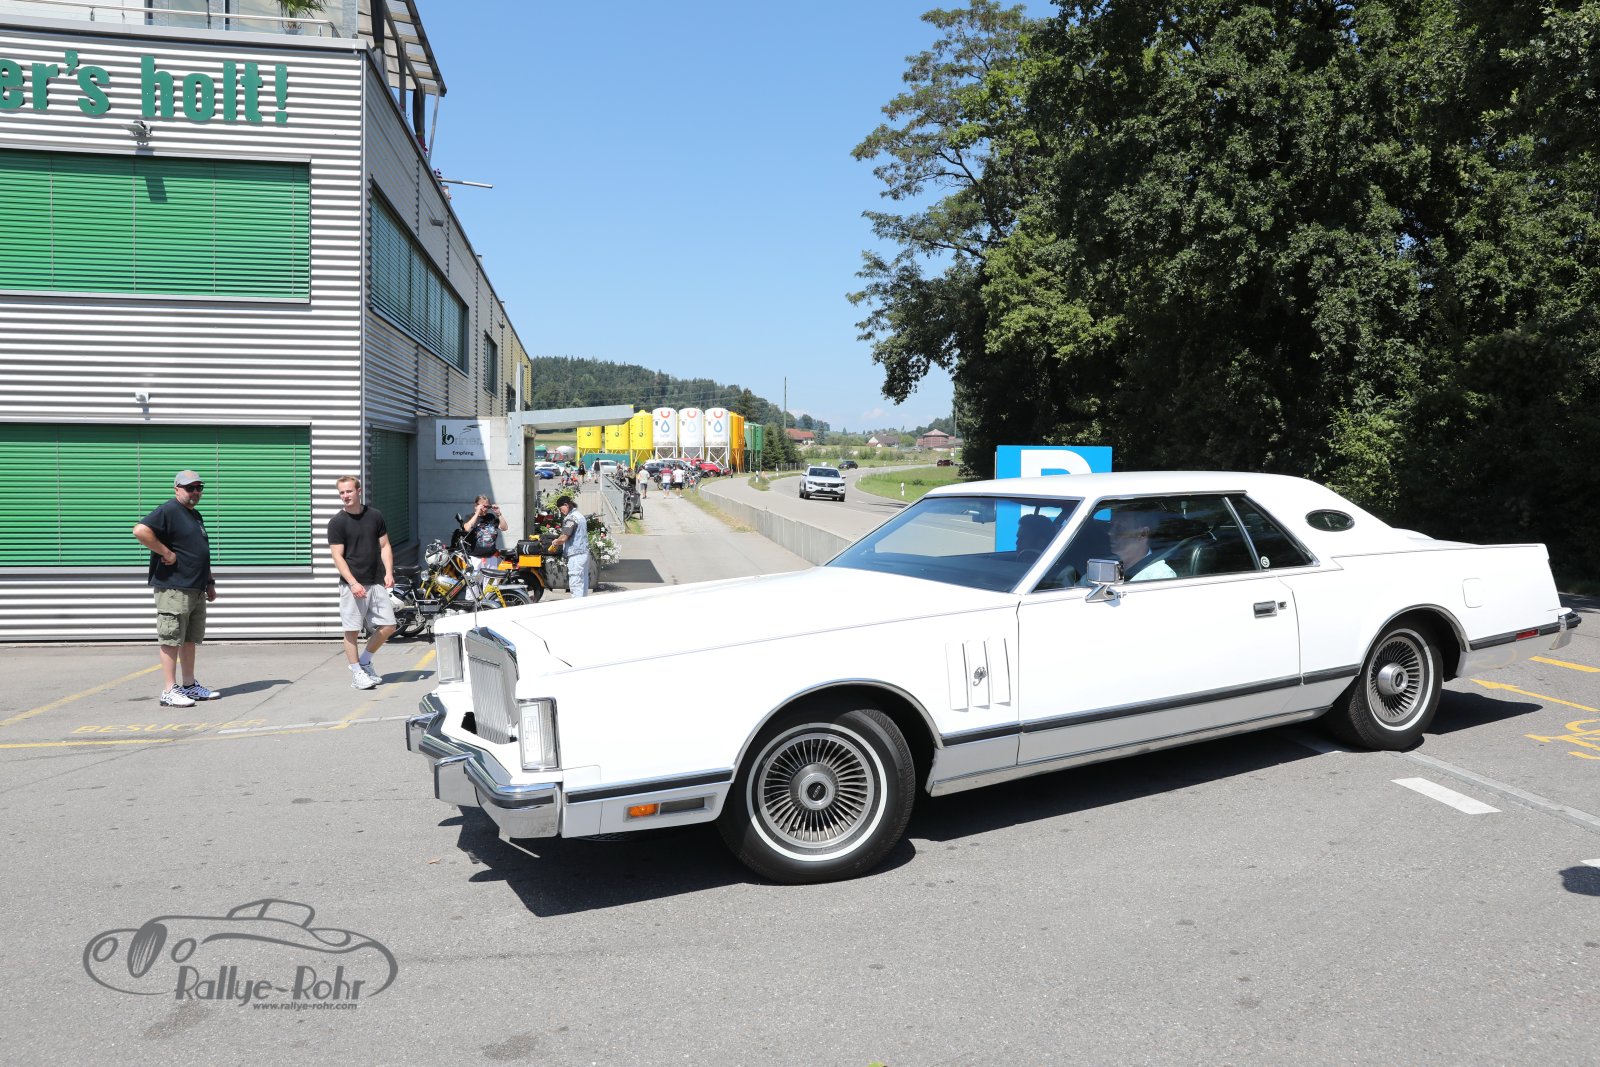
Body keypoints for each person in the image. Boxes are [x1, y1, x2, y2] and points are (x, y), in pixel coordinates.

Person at [132, 470, 218, 707]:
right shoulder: (169, 510)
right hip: (174, 587)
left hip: (195, 587)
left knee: (189, 639)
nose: (195, 492)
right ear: (177, 489)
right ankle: (169, 690)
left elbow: (201, 551)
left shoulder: (195, 515)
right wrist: (166, 552)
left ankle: (189, 685)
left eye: (199, 488)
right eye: (190, 488)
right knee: (171, 638)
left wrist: (209, 581)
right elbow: (140, 530)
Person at [327, 475, 396, 689]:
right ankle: (356, 673)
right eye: (341, 492)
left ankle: (365, 661)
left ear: (358, 491)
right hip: (353, 584)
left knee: (389, 625)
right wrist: (353, 582)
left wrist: (388, 572)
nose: (345, 496)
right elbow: (337, 556)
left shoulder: (375, 516)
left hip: (376, 580)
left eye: (348, 491)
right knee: (352, 630)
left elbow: (384, 546)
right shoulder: (337, 522)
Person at [1108, 507, 1177, 581]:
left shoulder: (1160, 576)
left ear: (1143, 533)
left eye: (1120, 528)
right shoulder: (1108, 564)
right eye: (1111, 526)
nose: (1110, 532)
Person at [547, 494, 591, 598]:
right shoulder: (580, 516)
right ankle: (584, 605)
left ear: (566, 505)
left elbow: (564, 537)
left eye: (560, 508)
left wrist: (555, 542)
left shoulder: (571, 518)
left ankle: (577, 606)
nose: (561, 511)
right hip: (584, 554)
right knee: (583, 584)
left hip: (575, 555)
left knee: (576, 585)